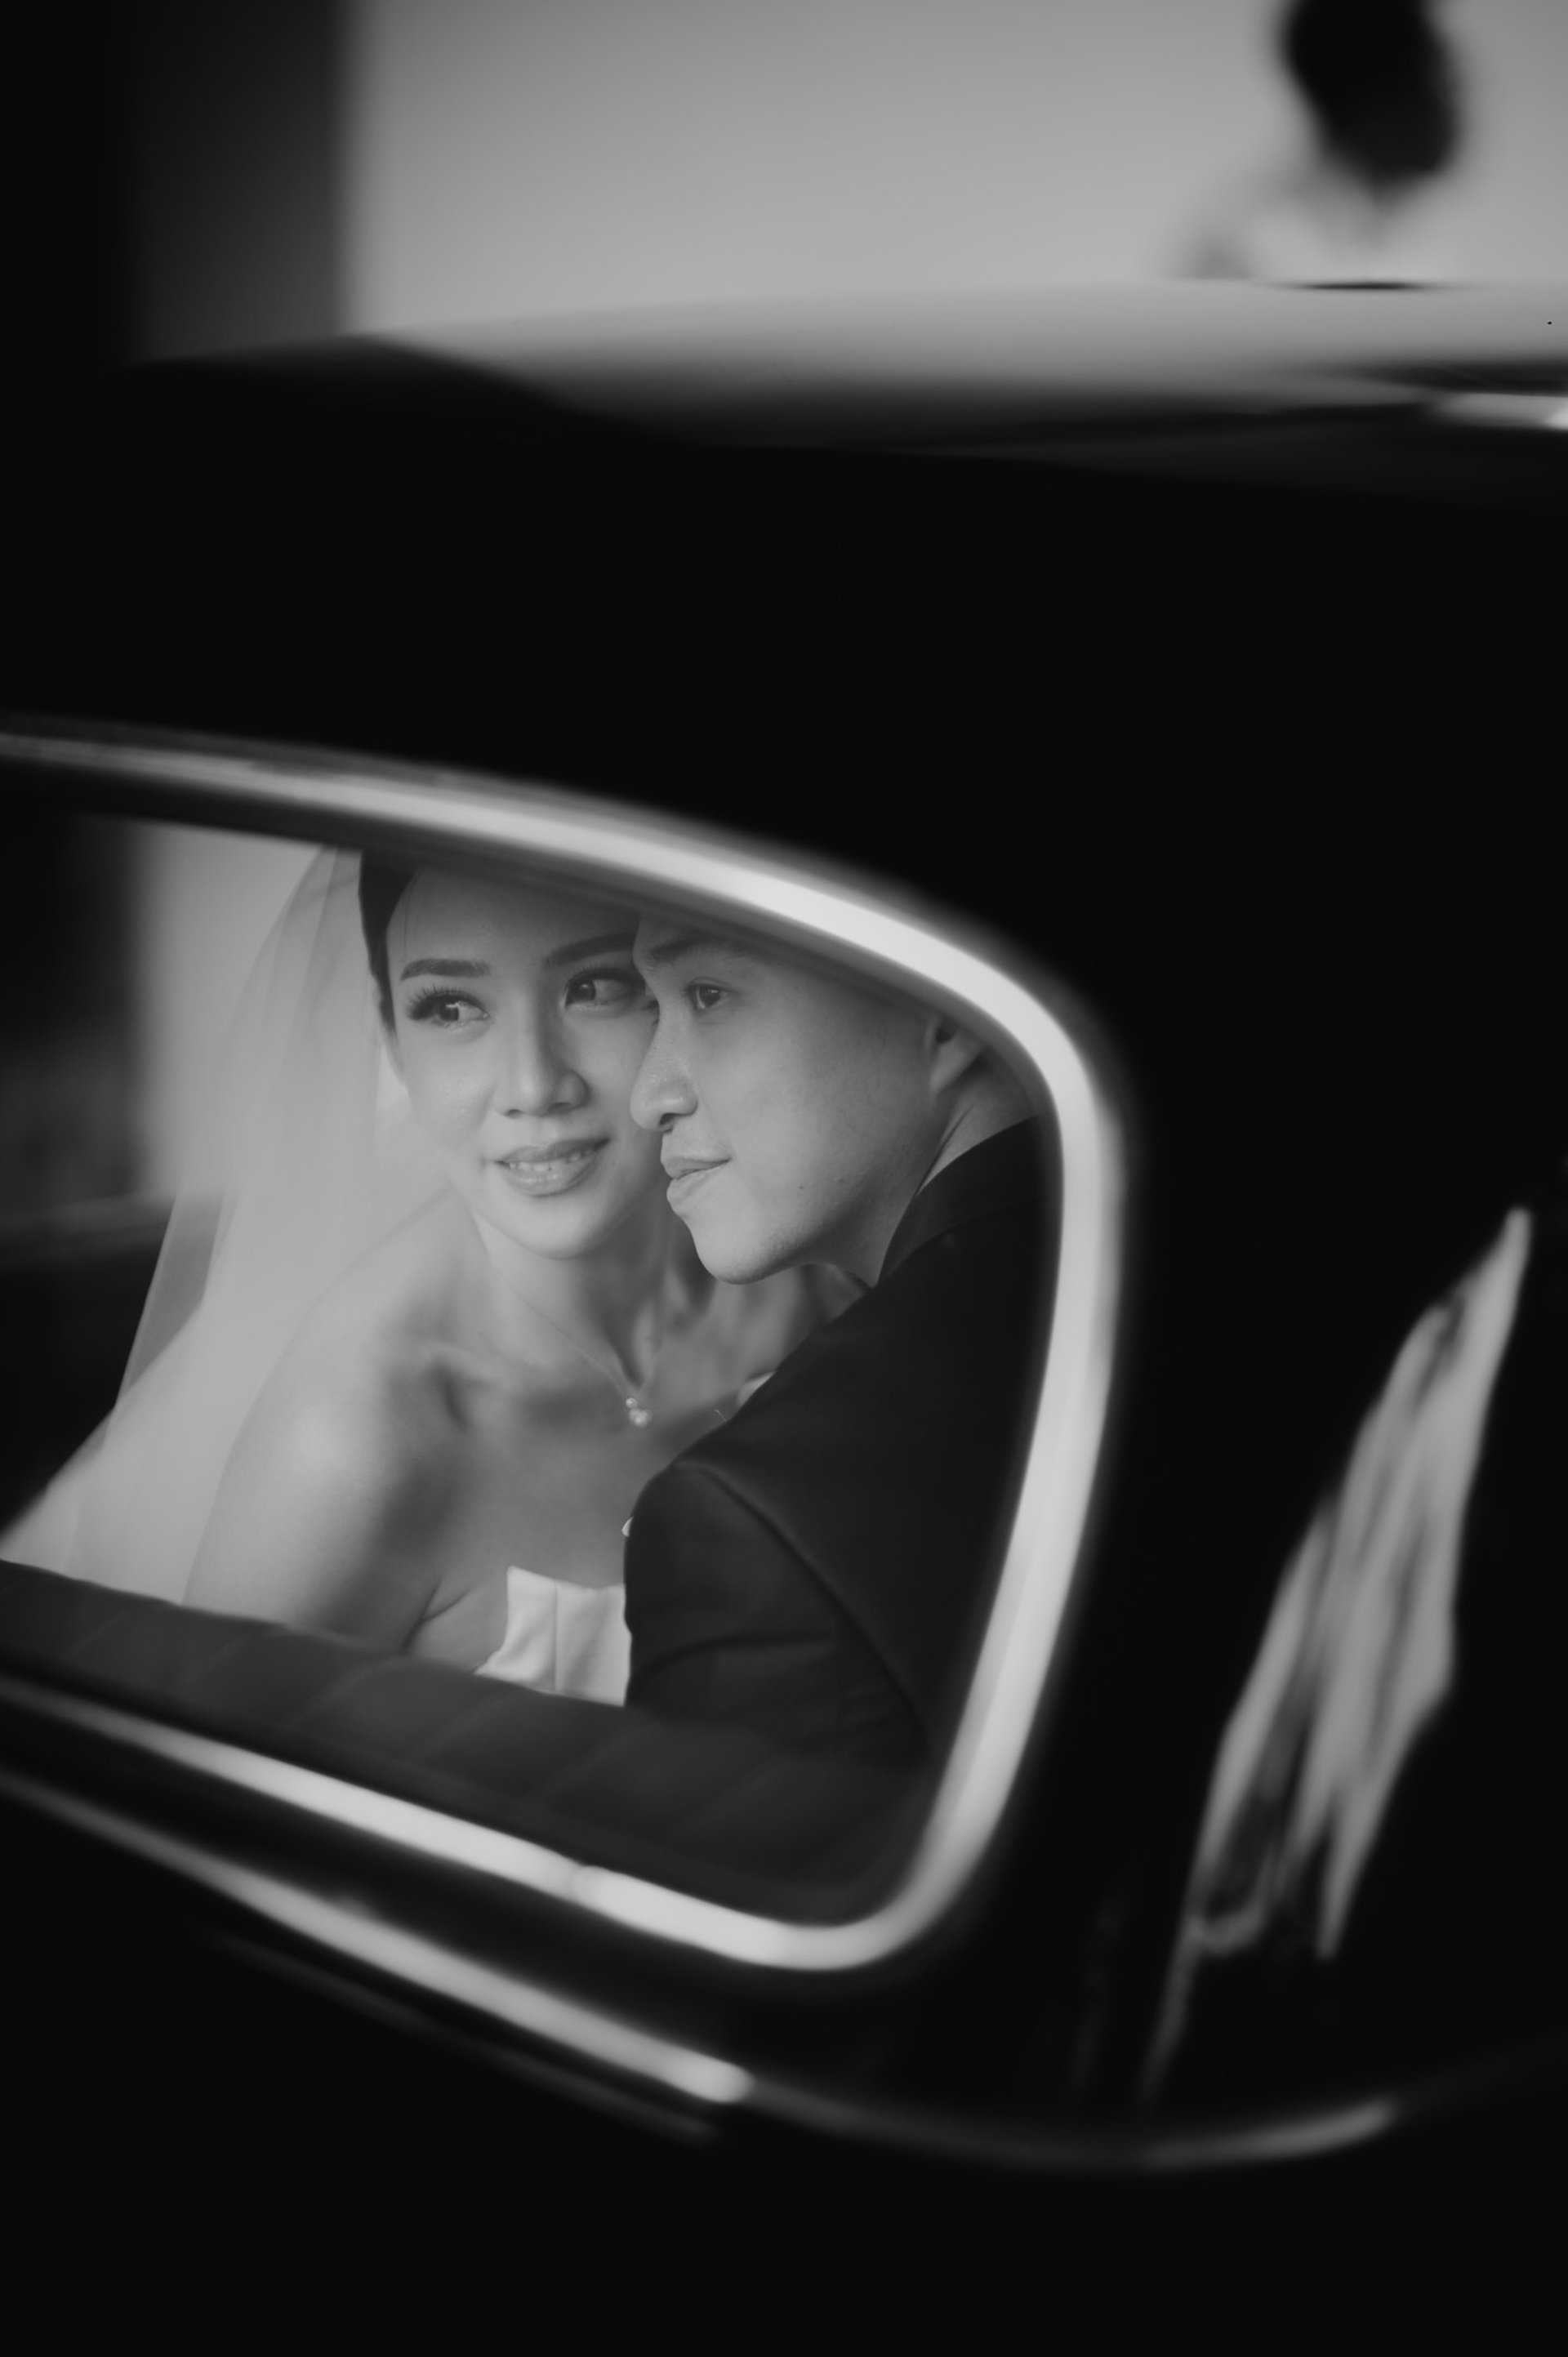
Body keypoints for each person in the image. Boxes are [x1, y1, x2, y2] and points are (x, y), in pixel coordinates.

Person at [2, 852, 844, 1704]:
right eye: (450, 1007)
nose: (532, 1084)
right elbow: (197, 1803)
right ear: (392, 1042)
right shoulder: (355, 1441)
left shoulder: (819, 1276)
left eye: (593, 988)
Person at [620, 916, 1059, 1770]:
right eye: (649, 1006)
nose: (650, 1095)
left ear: (945, 1008)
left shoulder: (756, 1520)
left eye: (709, 996)